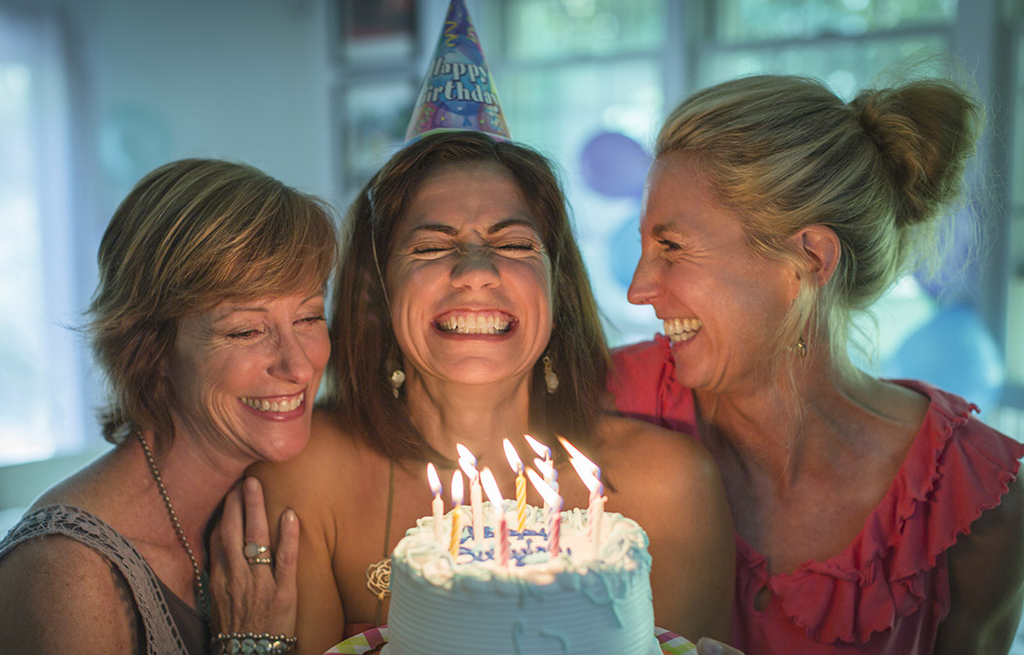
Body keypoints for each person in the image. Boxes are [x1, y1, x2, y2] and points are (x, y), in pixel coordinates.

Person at [250, 130, 736, 654]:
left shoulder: (671, 488)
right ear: (376, 289)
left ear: (557, 285)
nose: (476, 273)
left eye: (513, 244)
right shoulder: (306, 476)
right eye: (432, 246)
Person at [609, 73, 1024, 654]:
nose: (637, 288)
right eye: (643, 248)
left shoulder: (978, 505)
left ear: (808, 258)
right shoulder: (611, 399)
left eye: (671, 248)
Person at [0, 158, 336, 655]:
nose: (299, 366)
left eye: (309, 318)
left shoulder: (284, 503)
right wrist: (252, 647)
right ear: (150, 348)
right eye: (246, 330)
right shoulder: (63, 577)